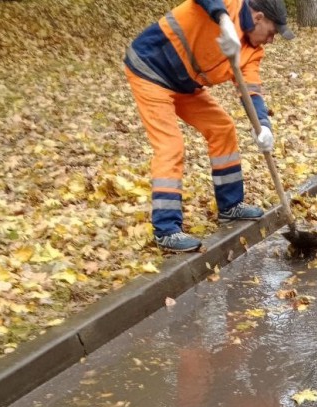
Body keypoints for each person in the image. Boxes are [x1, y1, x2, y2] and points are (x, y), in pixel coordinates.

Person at [124, 0, 295, 253]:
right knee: (171, 146)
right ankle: (166, 230)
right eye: (272, 32)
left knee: (222, 127)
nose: (271, 40)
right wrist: (223, 20)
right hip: (150, 69)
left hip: (185, 84)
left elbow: (252, 93)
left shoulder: (253, 51)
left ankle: (230, 206)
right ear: (258, 17)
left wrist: (264, 127)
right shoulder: (230, 4)